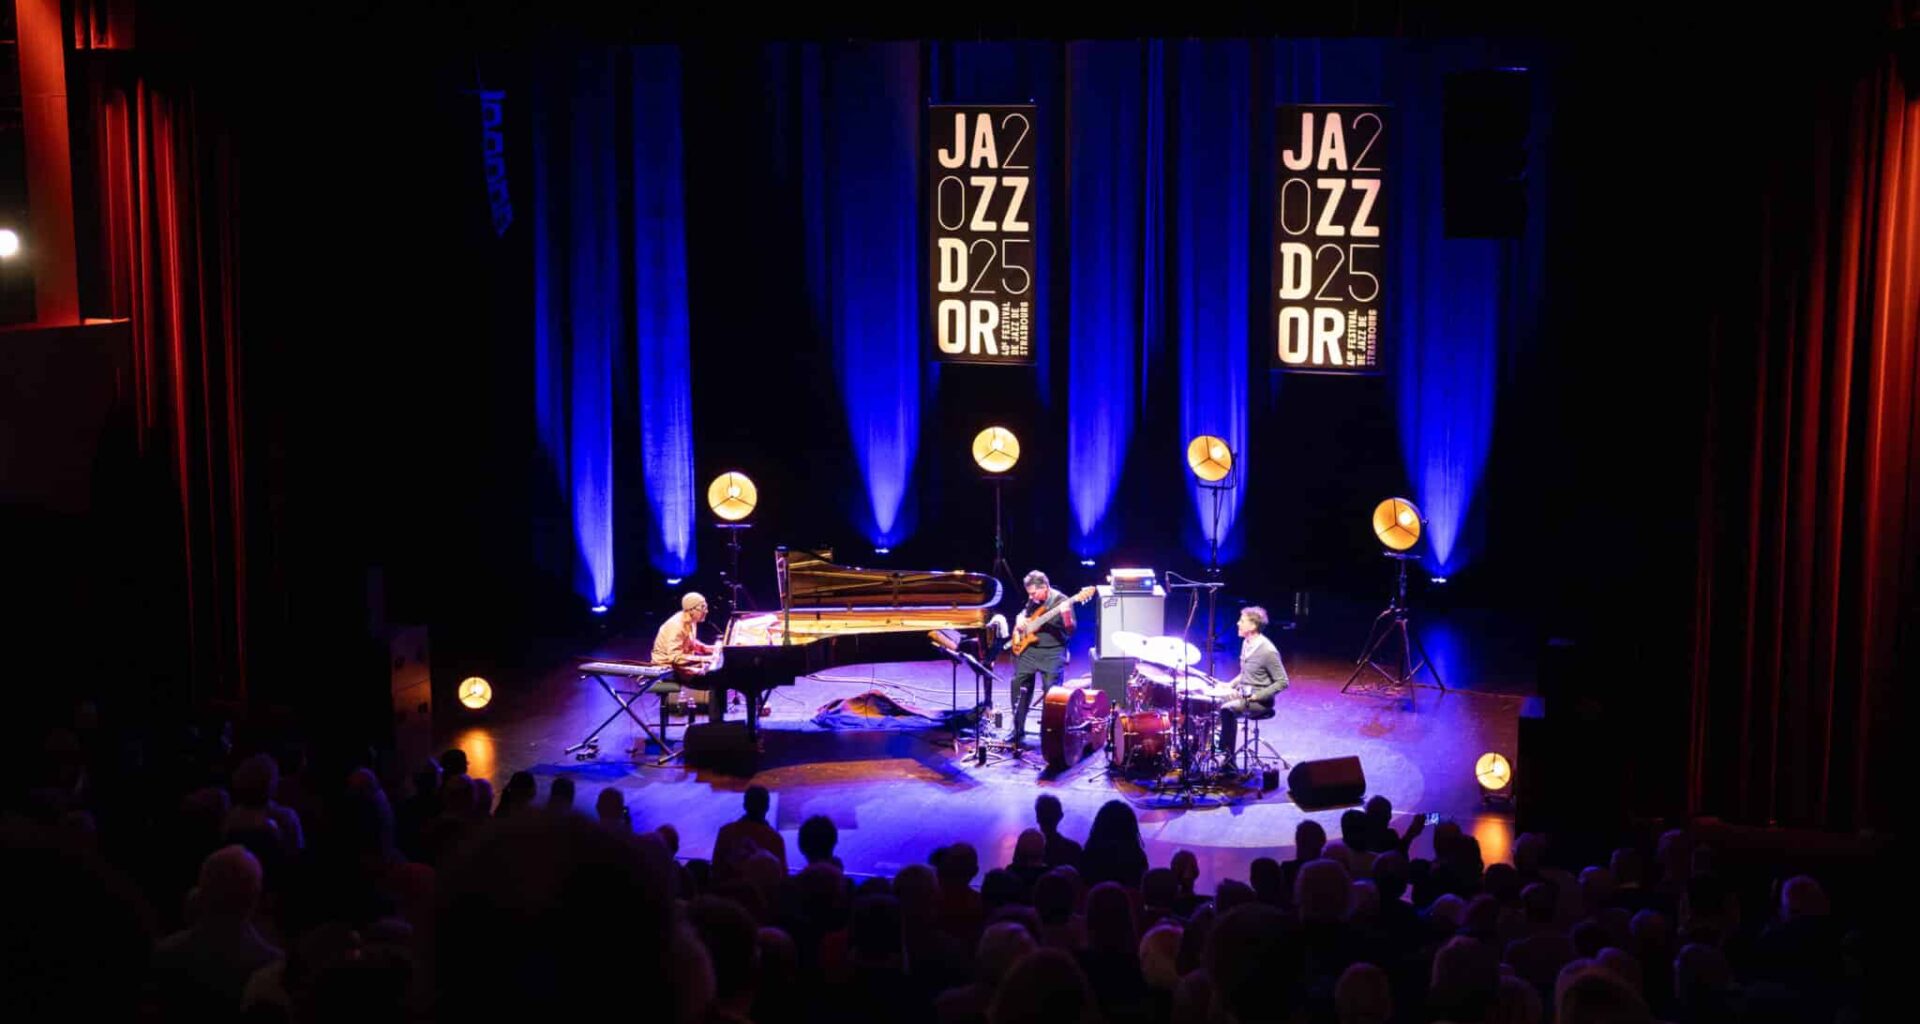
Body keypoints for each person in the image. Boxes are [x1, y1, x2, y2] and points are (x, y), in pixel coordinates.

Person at [1007, 570, 1075, 745]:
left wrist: (1066, 615)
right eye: (1029, 593)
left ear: (1044, 587)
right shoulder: (1034, 599)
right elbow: (1024, 614)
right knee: (1018, 685)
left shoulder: (1062, 601)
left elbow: (1071, 630)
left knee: (1052, 693)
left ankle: (1050, 734)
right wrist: (1019, 620)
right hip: (1030, 649)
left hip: (1053, 650)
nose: (1031, 597)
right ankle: (1017, 729)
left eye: (1033, 593)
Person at [1216, 606, 1288, 771]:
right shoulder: (1246, 643)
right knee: (1212, 699)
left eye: (1242, 621)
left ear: (1253, 626)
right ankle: (1210, 749)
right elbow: (1245, 673)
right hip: (1244, 695)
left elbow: (1282, 681)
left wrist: (1257, 696)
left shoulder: (1268, 651)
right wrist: (1229, 685)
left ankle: (1228, 760)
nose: (1237, 623)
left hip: (1259, 702)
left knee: (1228, 710)